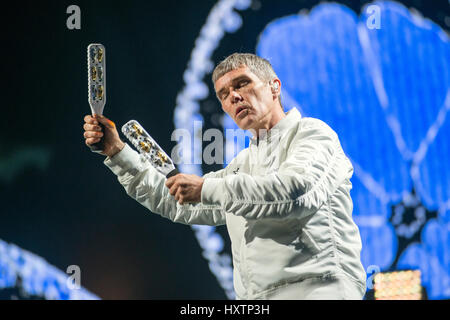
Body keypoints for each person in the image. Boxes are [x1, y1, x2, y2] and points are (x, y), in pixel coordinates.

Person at [83, 53, 367, 300]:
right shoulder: (241, 166)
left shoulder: (312, 134)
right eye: (223, 94)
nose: (234, 96)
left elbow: (297, 192)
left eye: (242, 83)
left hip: (318, 291)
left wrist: (206, 187)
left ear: (274, 87)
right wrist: (117, 152)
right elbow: (178, 201)